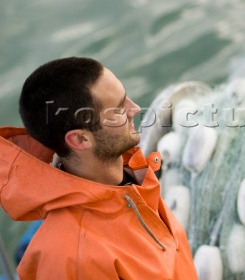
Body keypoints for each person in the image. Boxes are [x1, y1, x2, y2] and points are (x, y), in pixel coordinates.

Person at [0, 57, 198, 279]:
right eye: (119, 108)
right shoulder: (75, 259)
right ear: (80, 140)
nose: (134, 108)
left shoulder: (137, 182)